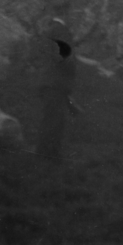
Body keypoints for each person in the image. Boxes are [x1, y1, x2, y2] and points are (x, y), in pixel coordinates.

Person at [36, 17, 79, 162]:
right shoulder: (62, 31)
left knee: (49, 119)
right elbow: (64, 56)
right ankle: (48, 157)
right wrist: (73, 68)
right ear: (66, 12)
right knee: (55, 121)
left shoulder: (49, 30)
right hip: (56, 83)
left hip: (48, 82)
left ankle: (43, 155)